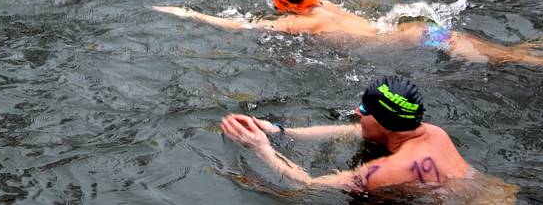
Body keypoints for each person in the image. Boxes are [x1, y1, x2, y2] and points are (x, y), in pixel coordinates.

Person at [154, 0, 543, 66]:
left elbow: (242, 25)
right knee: (501, 52)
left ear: (287, 4)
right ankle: (527, 52)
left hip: (406, 41)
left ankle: (533, 58)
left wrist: (188, 12)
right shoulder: (325, 7)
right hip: (407, 32)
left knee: (506, 60)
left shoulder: (298, 23)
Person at [219, 75, 517, 199]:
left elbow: (308, 186)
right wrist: (279, 130)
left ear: (385, 122)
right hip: (499, 194)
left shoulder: (384, 172)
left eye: (364, 109)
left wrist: (261, 148)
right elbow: (349, 130)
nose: (356, 112)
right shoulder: (433, 133)